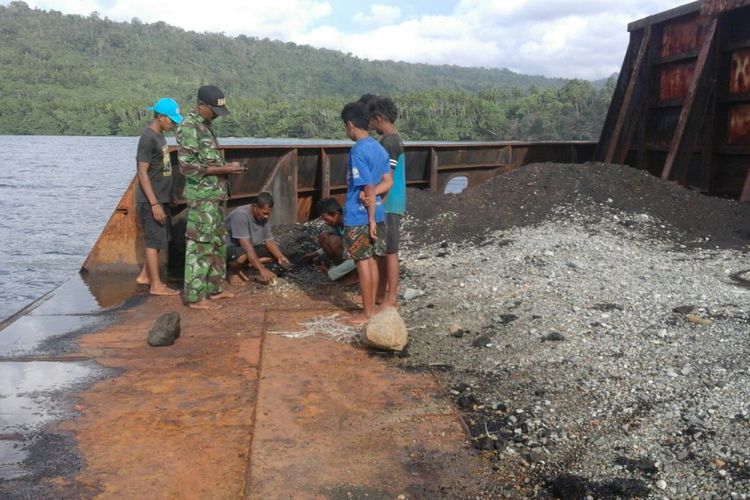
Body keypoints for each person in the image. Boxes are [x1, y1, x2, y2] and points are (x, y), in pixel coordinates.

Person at [177, 85, 245, 310]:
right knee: (200, 245)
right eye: (213, 110)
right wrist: (225, 170)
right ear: (201, 106)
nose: (216, 114)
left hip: (214, 197)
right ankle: (196, 297)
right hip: (202, 198)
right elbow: (188, 167)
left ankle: (214, 288)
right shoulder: (189, 128)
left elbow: (208, 162)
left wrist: (226, 168)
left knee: (216, 243)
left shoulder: (205, 126)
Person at [340, 101, 390, 324]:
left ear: (350, 125)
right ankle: (374, 307)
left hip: (360, 215)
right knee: (372, 262)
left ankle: (367, 312)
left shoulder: (358, 150)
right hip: (378, 212)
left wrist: (368, 219)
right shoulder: (380, 148)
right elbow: (387, 182)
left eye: (345, 127)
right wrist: (374, 208)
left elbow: (367, 186)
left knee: (362, 263)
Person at [134, 98, 183, 296]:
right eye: (171, 120)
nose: (174, 123)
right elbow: (142, 172)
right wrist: (154, 203)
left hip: (162, 198)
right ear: (161, 117)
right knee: (154, 241)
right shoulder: (148, 138)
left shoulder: (159, 135)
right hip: (151, 200)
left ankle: (145, 276)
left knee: (161, 239)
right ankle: (156, 285)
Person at [368, 96, 406, 308]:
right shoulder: (394, 138)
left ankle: (391, 298)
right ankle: (381, 295)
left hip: (389, 203)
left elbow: (387, 179)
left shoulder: (389, 141)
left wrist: (375, 201)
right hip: (389, 202)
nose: (371, 127)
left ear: (379, 118)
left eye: (372, 122)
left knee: (390, 251)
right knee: (384, 250)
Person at [225, 192, 291, 285]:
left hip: (248, 247)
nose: (266, 216)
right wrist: (262, 269)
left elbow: (269, 241)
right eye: (264, 213)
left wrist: (280, 256)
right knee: (241, 255)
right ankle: (233, 271)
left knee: (274, 253)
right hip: (229, 248)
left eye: (268, 214)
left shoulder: (263, 217)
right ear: (255, 206)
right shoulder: (240, 216)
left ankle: (247, 267)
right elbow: (246, 246)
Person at [305, 197, 357, 283]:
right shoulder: (338, 223)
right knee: (324, 236)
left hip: (362, 256)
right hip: (351, 252)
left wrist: (331, 273)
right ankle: (345, 272)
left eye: (327, 219)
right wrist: (316, 253)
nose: (326, 223)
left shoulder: (352, 224)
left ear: (336, 214)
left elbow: (358, 256)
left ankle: (355, 275)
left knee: (333, 241)